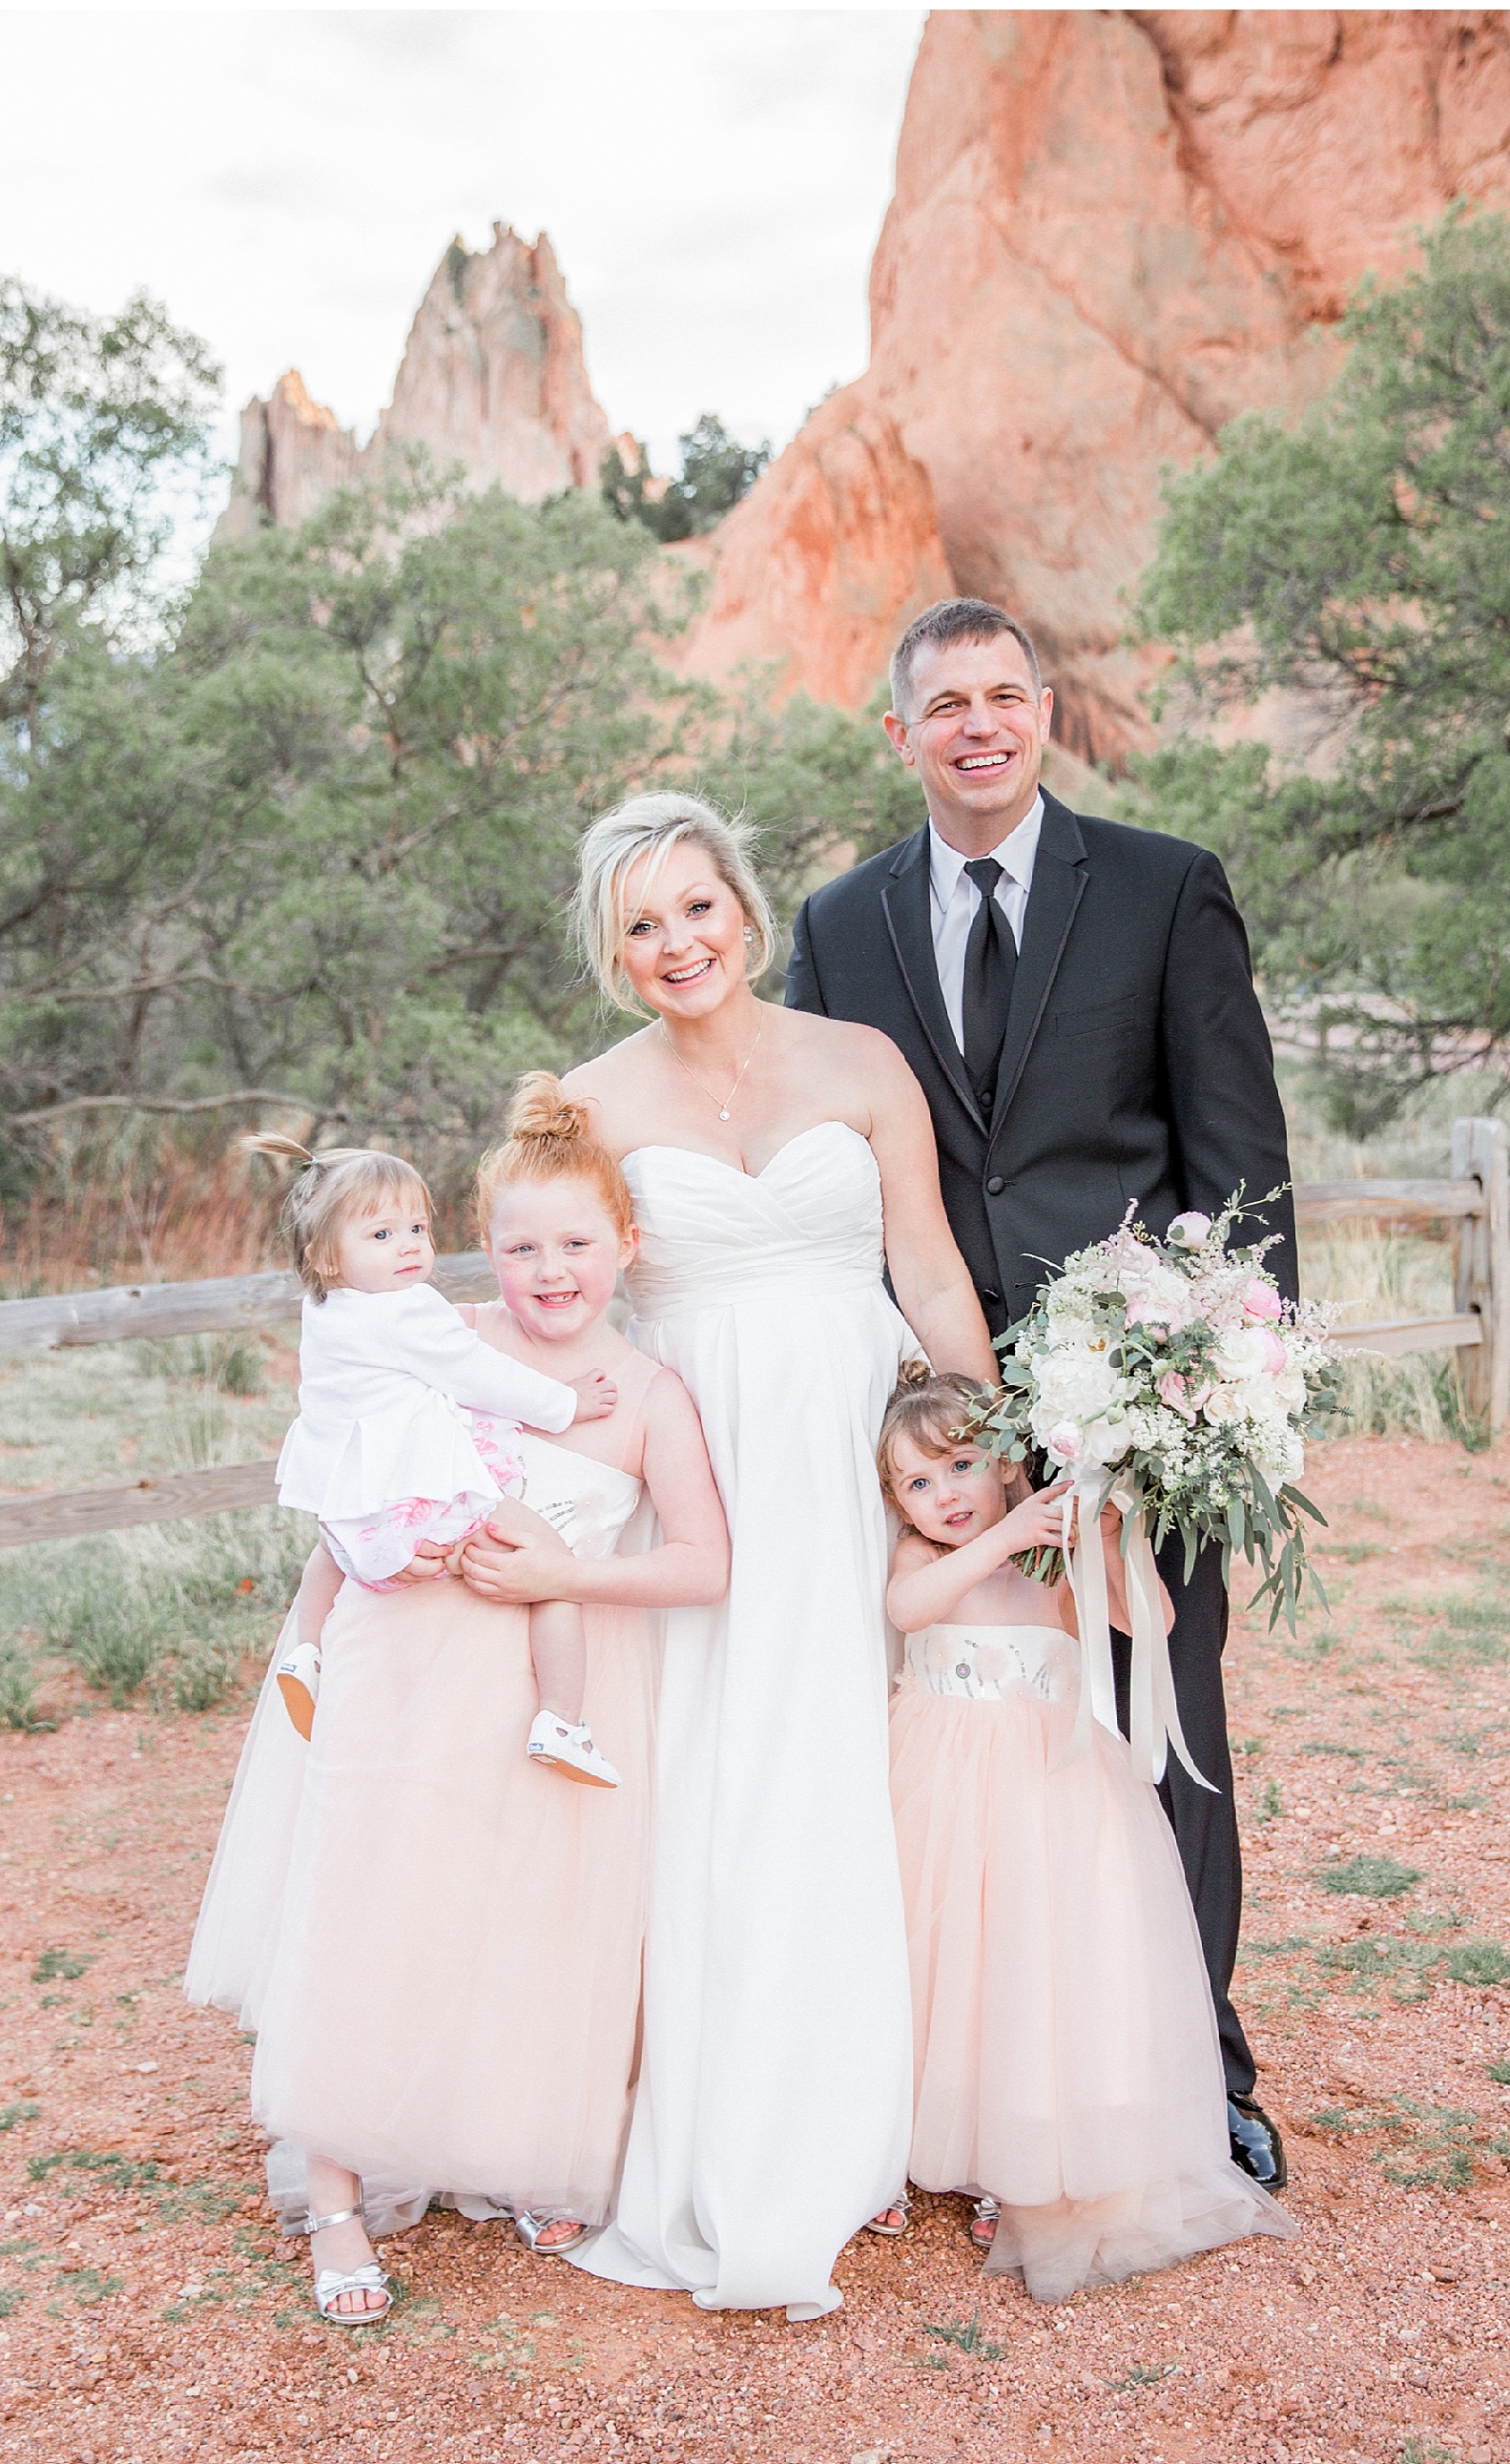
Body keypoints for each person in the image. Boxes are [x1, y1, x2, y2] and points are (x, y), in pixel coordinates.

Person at [787, 595, 1296, 2192]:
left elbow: (1240, 1163)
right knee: (965, 1753)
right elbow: (828, 1179)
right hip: (932, 1422)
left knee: (1159, 1726)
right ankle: (975, 2075)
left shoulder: (1160, 888)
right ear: (902, 734)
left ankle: (1198, 2068)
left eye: (1007, 695)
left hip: (1135, 1403)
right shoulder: (838, 925)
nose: (981, 725)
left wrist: (1215, 1393)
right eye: (948, 705)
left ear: (1047, 711)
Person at [479, 788, 995, 2322]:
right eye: (641, 924)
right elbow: (546, 1282)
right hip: (702, 1464)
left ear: (747, 911)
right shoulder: (588, 1103)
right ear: (612, 952)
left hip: (858, 1443)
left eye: (695, 907)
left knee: (860, 1748)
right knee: (722, 1770)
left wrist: (991, 1439)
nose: (676, 941)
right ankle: (723, 2112)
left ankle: (885, 2107)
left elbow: (927, 1264)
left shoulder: (862, 1062)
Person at [185, 1080, 729, 2322]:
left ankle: (515, 2143)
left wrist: (564, 1572)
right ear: (486, 1246)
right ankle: (334, 2197)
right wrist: (381, 1540)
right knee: (366, 1903)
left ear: (626, 1248)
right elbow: (339, 1454)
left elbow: (704, 1562)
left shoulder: (647, 1392)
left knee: (527, 1916)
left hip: (555, 1680)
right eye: (523, 1244)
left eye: (577, 1243)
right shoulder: (430, 1331)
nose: (549, 1271)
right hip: (403, 1652)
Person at [879, 1366, 1295, 2297]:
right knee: (945, 1956)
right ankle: (927, 2130)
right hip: (939, 1780)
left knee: (1029, 1961)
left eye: (961, 1465)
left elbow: (1144, 1618)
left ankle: (1011, 2157)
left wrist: (1111, 1539)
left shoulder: (1046, 1556)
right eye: (917, 1481)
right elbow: (908, 1610)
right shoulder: (920, 1559)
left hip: (1044, 1783)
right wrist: (1005, 1534)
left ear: (1008, 1467)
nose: (944, 1493)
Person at [244, 1131, 622, 1788]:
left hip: (356, 1503)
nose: (412, 1244)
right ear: (327, 1258)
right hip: (425, 1493)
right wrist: (564, 1403)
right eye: (382, 1235)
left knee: (327, 1549)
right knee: (552, 1562)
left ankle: (306, 1650)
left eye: (417, 1226)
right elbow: (479, 1374)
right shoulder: (406, 1311)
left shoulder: (325, 1309)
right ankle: (562, 1719)